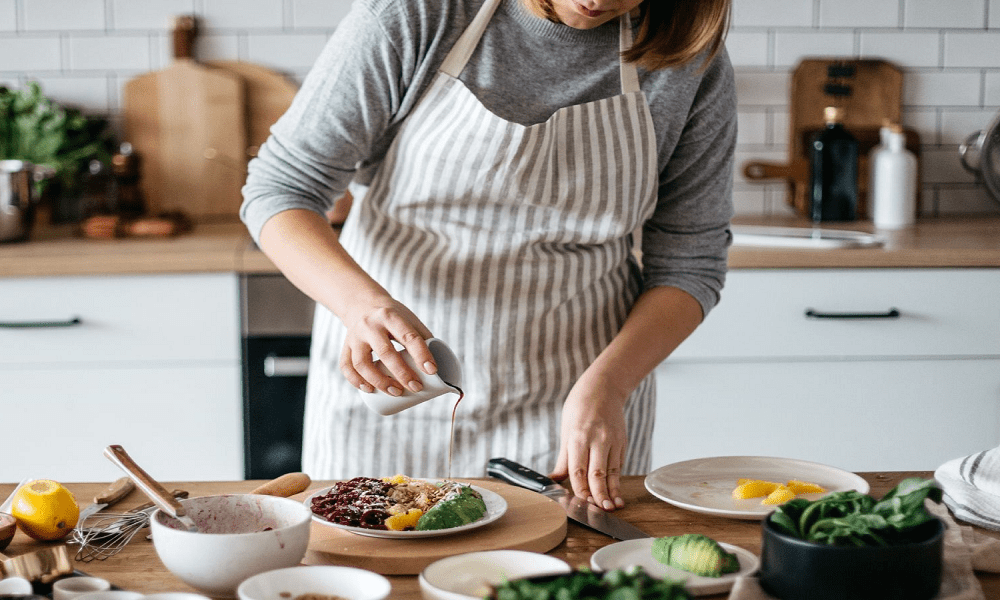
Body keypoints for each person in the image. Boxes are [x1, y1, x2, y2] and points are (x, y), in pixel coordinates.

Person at [241, 0, 736, 512]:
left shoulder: (686, 58)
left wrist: (611, 385)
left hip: (574, 397)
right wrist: (359, 306)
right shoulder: (415, 16)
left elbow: (689, 262)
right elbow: (281, 189)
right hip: (396, 380)